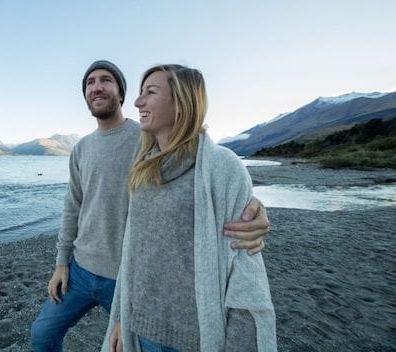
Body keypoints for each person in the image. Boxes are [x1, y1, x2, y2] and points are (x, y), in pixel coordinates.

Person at [30, 60, 271, 352]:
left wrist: (253, 208)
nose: (97, 87)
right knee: (41, 334)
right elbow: (73, 206)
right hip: (83, 269)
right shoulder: (88, 149)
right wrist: (61, 262)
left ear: (120, 92)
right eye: (90, 82)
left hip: (124, 276)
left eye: (106, 80)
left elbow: (200, 169)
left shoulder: (145, 138)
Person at [105, 64, 276, 352]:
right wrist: (123, 317)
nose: (137, 102)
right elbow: (134, 252)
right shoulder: (144, 168)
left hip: (194, 339)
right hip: (142, 332)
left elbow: (244, 269)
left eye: (150, 92)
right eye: (139, 93)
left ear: (182, 102)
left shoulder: (222, 168)